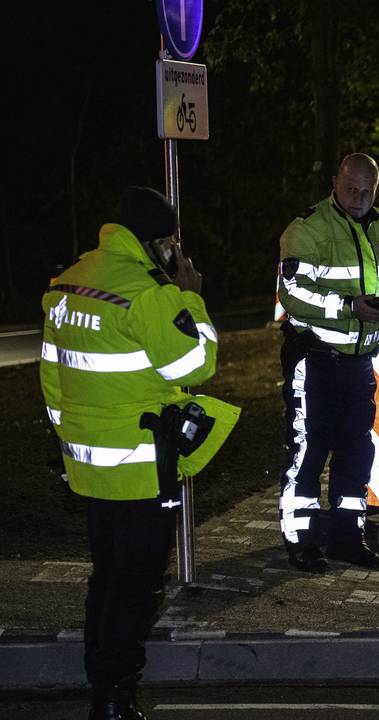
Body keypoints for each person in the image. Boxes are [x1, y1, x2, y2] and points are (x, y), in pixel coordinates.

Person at [41, 186, 238, 719]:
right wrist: (191, 296)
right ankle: (114, 697)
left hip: (88, 464)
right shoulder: (150, 292)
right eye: (173, 244)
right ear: (161, 243)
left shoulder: (72, 281)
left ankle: (100, 681)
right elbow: (195, 366)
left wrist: (73, 442)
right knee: (138, 585)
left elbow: (52, 378)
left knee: (107, 575)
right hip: (140, 466)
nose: (177, 253)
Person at [276, 153, 379, 573]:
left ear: (377, 188)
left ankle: (346, 538)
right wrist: (348, 308)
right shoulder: (308, 228)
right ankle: (300, 542)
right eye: (351, 188)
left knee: (357, 453)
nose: (358, 197)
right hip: (314, 359)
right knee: (307, 452)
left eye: (366, 190)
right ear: (335, 182)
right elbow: (292, 294)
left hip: (359, 363)